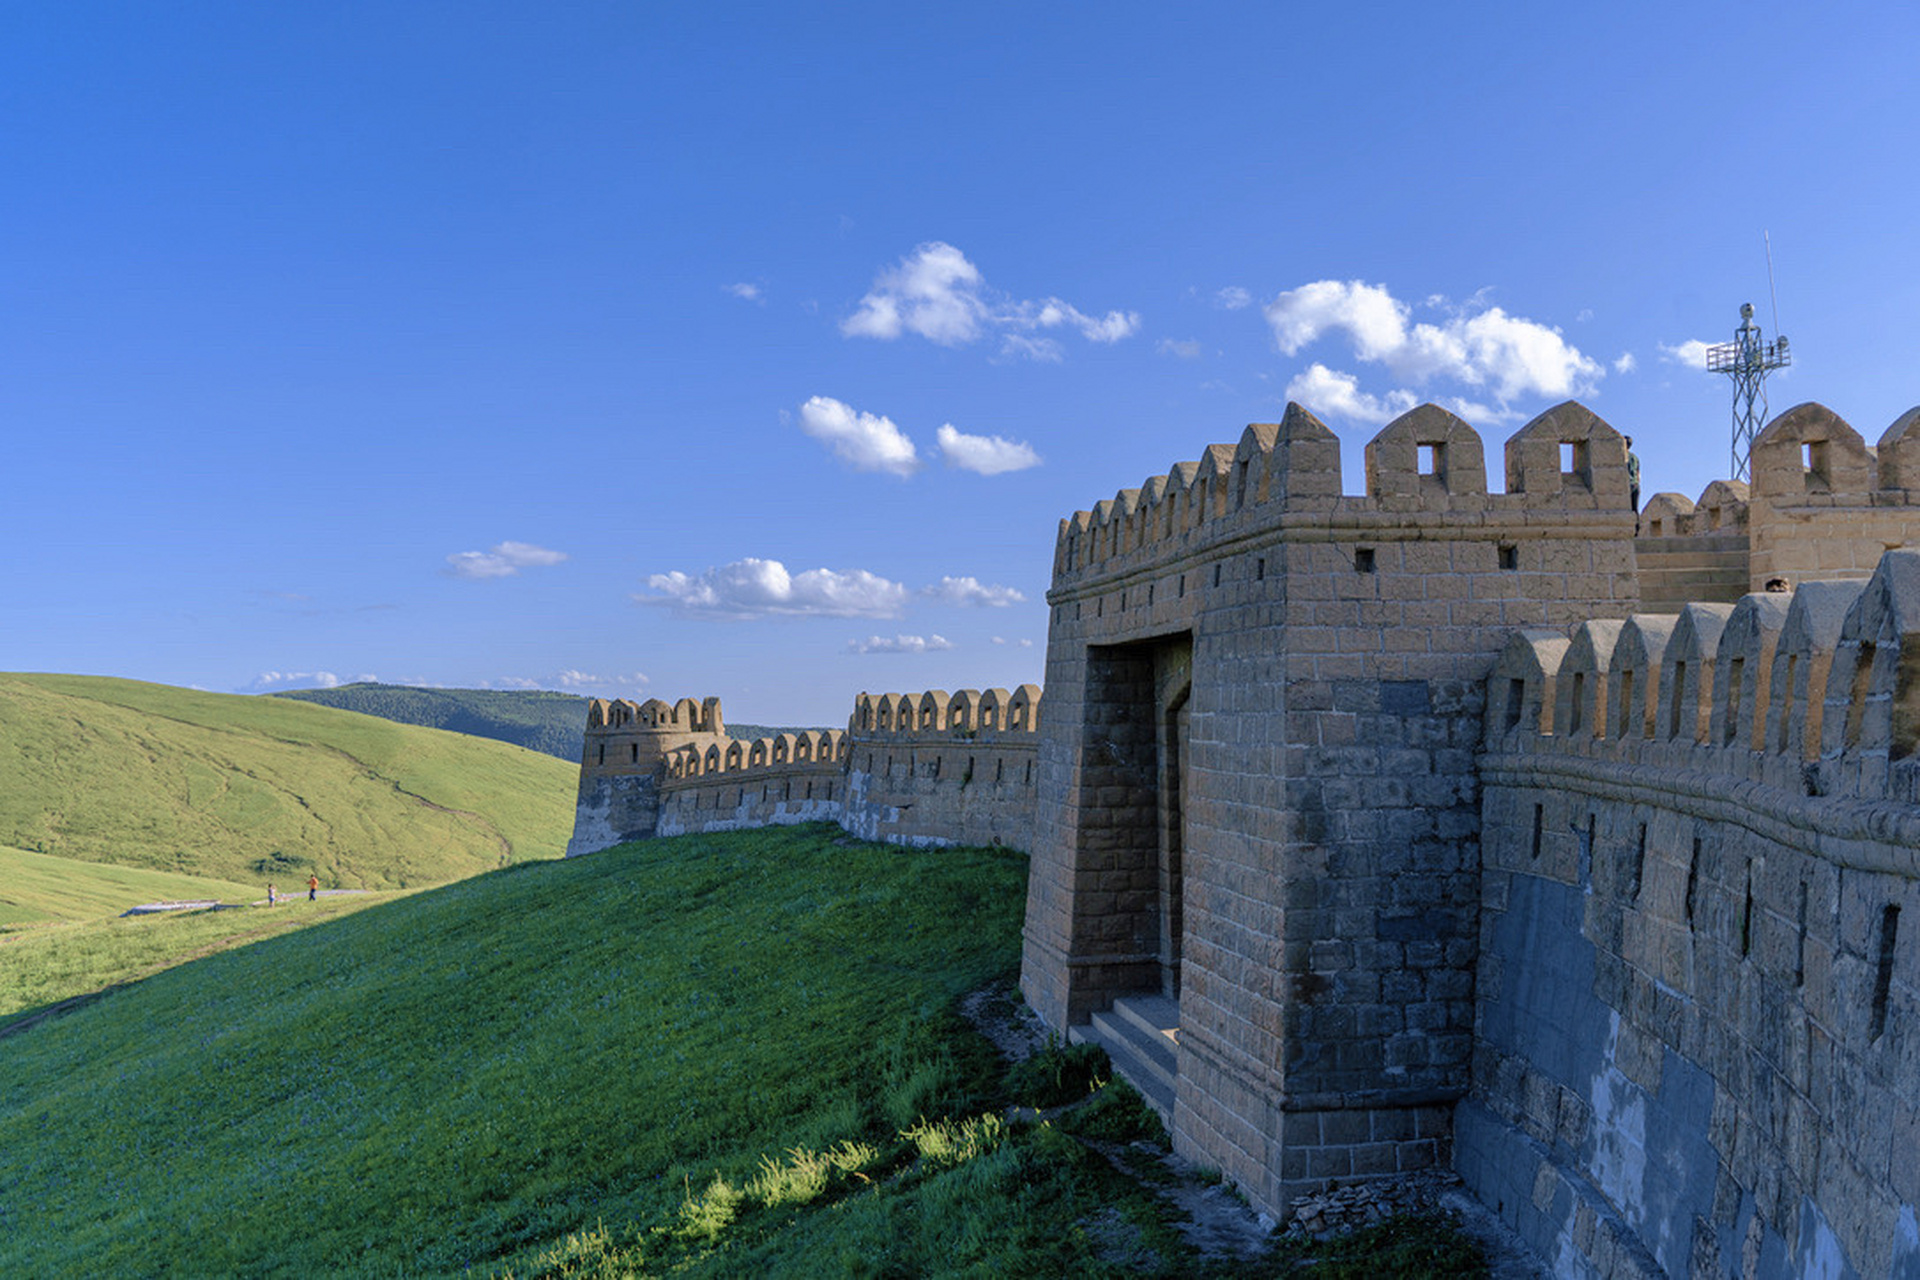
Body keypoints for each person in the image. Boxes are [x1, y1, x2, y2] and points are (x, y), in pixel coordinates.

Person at [1624, 434, 1641, 515]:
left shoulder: (1622, 456)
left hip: (1627, 485)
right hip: (1635, 485)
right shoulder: (1635, 458)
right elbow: (1638, 475)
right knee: (1635, 509)